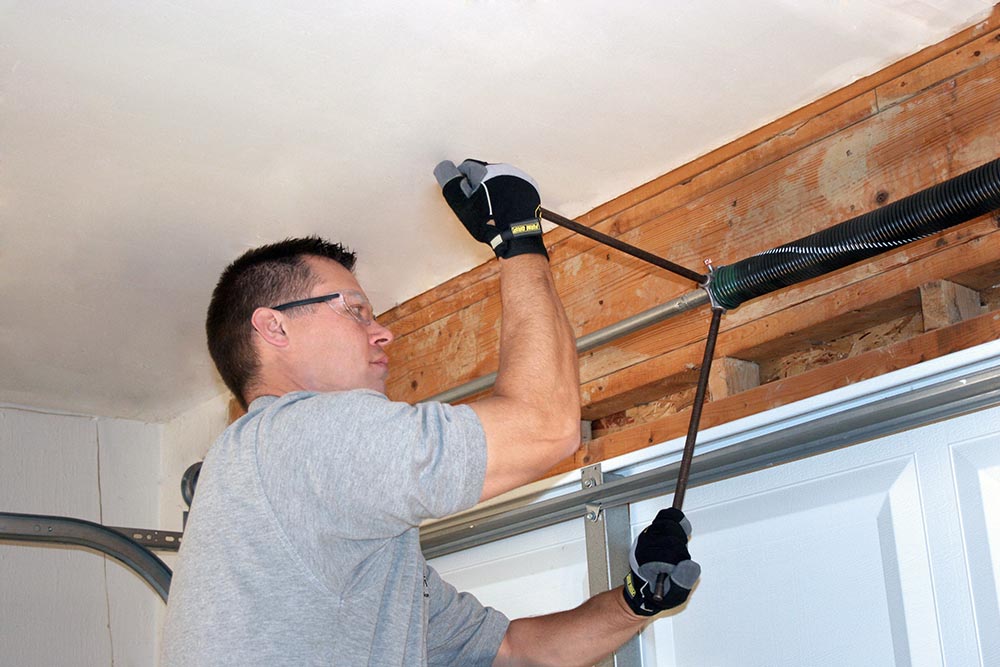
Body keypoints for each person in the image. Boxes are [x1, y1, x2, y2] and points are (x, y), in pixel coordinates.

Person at [161, 159, 700, 666]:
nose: (383, 331)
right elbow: (544, 429)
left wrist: (636, 601)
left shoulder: (352, 541)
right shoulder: (295, 436)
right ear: (273, 327)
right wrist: (519, 242)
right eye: (354, 310)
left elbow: (514, 650)